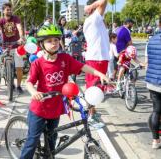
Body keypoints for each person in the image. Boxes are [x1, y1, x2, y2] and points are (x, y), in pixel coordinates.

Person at [20, 24, 109, 159]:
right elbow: (29, 83)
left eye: (56, 40)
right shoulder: (38, 63)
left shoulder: (64, 59)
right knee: (32, 141)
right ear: (41, 44)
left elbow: (83, 67)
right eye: (49, 41)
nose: (54, 43)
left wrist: (100, 74)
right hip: (40, 108)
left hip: (55, 107)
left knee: (52, 139)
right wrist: (34, 93)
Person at [83, 0, 110, 129]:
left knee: (97, 88)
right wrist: (91, 6)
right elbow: (105, 0)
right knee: (94, 88)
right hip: (96, 58)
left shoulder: (95, 20)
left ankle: (92, 112)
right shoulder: (94, 18)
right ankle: (90, 116)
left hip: (99, 58)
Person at [0, 3, 25, 94]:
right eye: (7, 9)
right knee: (5, 65)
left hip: (16, 46)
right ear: (3, 11)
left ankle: (18, 86)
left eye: (10, 9)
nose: (9, 11)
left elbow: (19, 27)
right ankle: (9, 80)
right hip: (5, 46)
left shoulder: (16, 19)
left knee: (19, 67)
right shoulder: (1, 20)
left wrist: (21, 37)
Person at [145, 34, 161, 149]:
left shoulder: (151, 40)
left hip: (153, 82)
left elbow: (147, 62)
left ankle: (155, 141)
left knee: (156, 111)